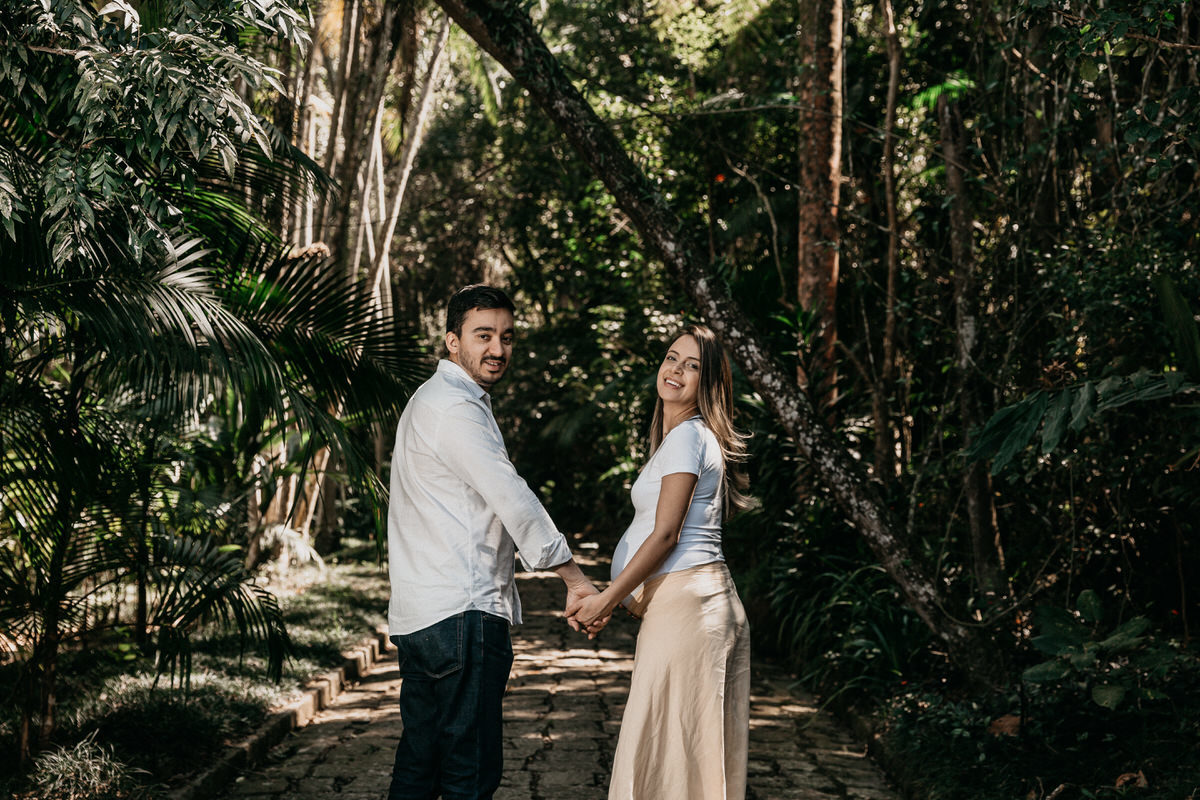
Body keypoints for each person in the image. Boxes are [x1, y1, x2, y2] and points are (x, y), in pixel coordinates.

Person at [386, 284, 600, 800]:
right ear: (452, 341)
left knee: (419, 768)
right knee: (469, 773)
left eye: (506, 337)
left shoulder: (433, 400)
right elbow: (512, 496)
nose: (498, 349)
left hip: (423, 615)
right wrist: (574, 579)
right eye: (483, 335)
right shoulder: (455, 407)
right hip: (461, 615)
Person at [568, 323, 752, 800]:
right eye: (672, 357)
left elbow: (667, 535)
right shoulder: (683, 438)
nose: (676, 370)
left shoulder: (690, 437)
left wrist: (607, 599)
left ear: (708, 383)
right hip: (693, 607)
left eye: (693, 366)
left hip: (691, 610)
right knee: (679, 751)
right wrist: (622, 600)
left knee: (670, 752)